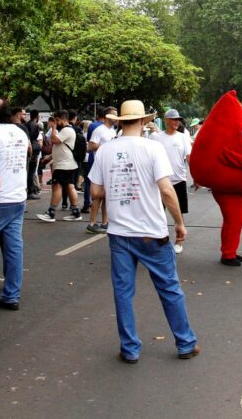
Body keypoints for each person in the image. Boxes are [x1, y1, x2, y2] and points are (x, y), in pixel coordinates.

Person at [88, 100, 199, 363]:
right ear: (142, 121)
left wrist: (117, 187)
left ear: (121, 122)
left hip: (119, 234)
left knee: (123, 291)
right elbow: (166, 189)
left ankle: (129, 348)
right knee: (169, 288)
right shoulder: (153, 148)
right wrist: (179, 222)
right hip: (151, 232)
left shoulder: (105, 151)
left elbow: (94, 192)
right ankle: (185, 342)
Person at [0, 100, 29, 310]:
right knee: (14, 249)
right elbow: (29, 152)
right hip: (18, 197)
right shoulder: (20, 132)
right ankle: (11, 295)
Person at [37, 110, 82, 222]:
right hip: (66, 163)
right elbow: (61, 147)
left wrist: (52, 128)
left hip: (64, 165)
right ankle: (75, 212)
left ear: (63, 119)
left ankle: (51, 213)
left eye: (57, 120)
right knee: (69, 186)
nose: (55, 123)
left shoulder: (67, 130)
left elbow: (54, 140)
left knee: (57, 186)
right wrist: (50, 157)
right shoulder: (66, 130)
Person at [150, 109, 193, 222]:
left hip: (179, 179)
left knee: (179, 212)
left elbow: (189, 157)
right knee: (158, 213)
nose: (177, 122)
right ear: (166, 120)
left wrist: (195, 176)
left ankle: (180, 235)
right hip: (160, 180)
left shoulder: (183, 137)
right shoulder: (155, 137)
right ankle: (159, 236)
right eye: (174, 119)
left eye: (178, 120)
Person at [84, 106, 116, 234]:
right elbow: (91, 146)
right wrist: (106, 146)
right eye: (114, 115)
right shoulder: (99, 130)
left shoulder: (113, 130)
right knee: (97, 196)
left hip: (110, 167)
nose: (116, 117)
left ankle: (104, 223)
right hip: (100, 167)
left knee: (107, 196)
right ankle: (91, 224)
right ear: (107, 116)